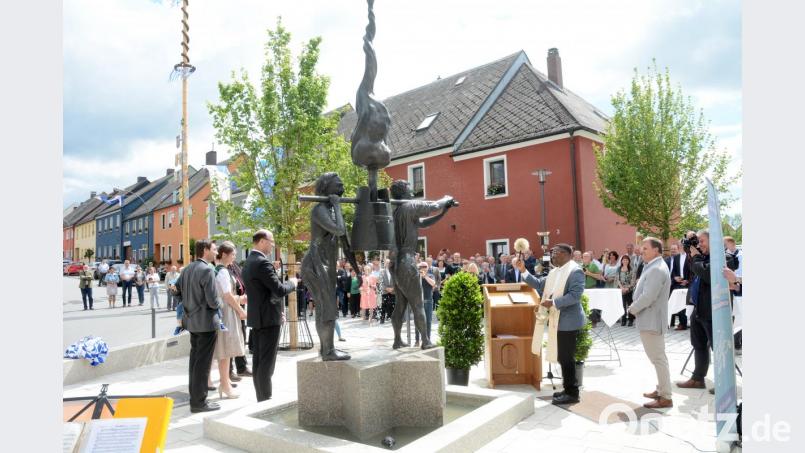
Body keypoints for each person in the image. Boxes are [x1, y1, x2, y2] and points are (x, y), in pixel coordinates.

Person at [513, 244, 585, 405]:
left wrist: (553, 302)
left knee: (566, 357)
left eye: (555, 253)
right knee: (562, 356)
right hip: (556, 319)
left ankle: (573, 393)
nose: (552, 256)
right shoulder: (554, 272)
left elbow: (575, 295)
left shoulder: (575, 271)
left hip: (568, 321)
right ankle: (568, 389)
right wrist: (523, 270)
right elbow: (540, 284)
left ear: (565, 254)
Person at [389, 179, 455, 349]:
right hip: (407, 260)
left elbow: (423, 223)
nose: (412, 192)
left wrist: (443, 212)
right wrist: (446, 199)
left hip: (397, 262)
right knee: (418, 304)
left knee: (400, 304)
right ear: (403, 191)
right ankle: (425, 341)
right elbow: (434, 205)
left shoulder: (398, 211)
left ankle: (397, 340)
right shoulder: (411, 206)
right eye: (409, 189)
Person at [242, 230, 297, 402]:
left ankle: (261, 397)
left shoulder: (249, 261)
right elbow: (279, 289)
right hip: (268, 319)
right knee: (267, 363)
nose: (273, 245)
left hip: (258, 318)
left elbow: (264, 292)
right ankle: (265, 399)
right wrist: (292, 283)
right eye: (271, 241)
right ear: (261, 241)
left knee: (259, 361)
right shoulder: (262, 263)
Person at [173, 239, 222, 413]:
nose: (216, 252)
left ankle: (195, 399)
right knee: (203, 364)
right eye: (214, 249)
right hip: (206, 323)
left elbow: (175, 290)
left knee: (195, 362)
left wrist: (188, 304)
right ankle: (199, 403)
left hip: (192, 322)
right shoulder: (207, 270)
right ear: (206, 250)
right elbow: (213, 301)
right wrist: (221, 304)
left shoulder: (187, 269)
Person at [628, 237, 673, 408]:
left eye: (645, 248)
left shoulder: (656, 269)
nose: (642, 251)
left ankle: (666, 397)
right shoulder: (653, 266)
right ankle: (661, 389)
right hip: (650, 319)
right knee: (658, 358)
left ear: (656, 250)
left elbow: (648, 296)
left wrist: (632, 309)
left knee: (658, 359)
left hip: (652, 320)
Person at [677, 230, 712, 390]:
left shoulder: (722, 257)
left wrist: (696, 256)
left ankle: (724, 382)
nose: (699, 244)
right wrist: (691, 250)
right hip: (698, 308)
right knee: (698, 344)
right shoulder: (702, 257)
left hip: (712, 310)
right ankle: (698, 379)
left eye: (702, 241)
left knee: (718, 347)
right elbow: (694, 267)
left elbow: (706, 273)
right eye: (698, 241)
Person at [212, 242, 248, 400]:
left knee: (225, 350)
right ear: (224, 254)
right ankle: (225, 384)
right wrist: (240, 310)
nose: (234, 257)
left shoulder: (218, 270)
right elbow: (226, 295)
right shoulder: (223, 271)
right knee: (225, 349)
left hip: (223, 310)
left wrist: (238, 300)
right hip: (227, 312)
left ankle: (225, 383)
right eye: (233, 254)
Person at [665, 243, 690, 330]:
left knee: (686, 304)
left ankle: (684, 323)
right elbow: (674, 271)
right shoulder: (676, 257)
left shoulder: (689, 256)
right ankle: (682, 323)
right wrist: (675, 278)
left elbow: (692, 270)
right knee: (678, 303)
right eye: (680, 246)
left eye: (682, 246)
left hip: (687, 283)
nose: (681, 248)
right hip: (677, 284)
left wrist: (688, 280)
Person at [414, 261, 437, 347]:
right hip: (418, 302)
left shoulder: (430, 275)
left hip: (428, 301)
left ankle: (427, 340)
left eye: (425, 266)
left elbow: (433, 283)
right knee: (418, 321)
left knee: (428, 321)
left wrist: (425, 276)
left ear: (427, 268)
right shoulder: (416, 276)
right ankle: (417, 340)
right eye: (421, 267)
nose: (423, 268)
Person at [617, 255, 636, 326]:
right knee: (622, 305)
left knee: (630, 305)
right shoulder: (619, 269)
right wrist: (621, 288)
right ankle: (623, 320)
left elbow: (633, 280)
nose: (625, 261)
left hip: (629, 290)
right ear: (621, 261)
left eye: (626, 260)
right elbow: (617, 279)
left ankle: (631, 320)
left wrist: (627, 288)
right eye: (623, 260)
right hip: (621, 290)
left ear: (629, 261)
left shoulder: (632, 269)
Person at [380, 259, 396, 324]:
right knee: (384, 305)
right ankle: (382, 318)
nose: (388, 264)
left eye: (389, 263)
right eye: (386, 263)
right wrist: (386, 288)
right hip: (385, 291)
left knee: (393, 305)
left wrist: (393, 288)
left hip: (393, 291)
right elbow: (381, 282)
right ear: (385, 264)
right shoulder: (382, 272)